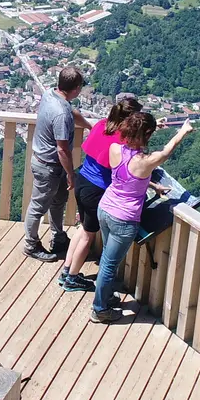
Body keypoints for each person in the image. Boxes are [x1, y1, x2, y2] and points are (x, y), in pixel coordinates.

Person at [91, 114, 193, 323]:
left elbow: (127, 179)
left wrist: (153, 185)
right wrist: (182, 131)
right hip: (124, 219)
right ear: (145, 134)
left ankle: (107, 297)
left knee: (107, 261)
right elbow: (167, 151)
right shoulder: (144, 162)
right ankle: (99, 309)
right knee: (110, 265)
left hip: (105, 208)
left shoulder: (115, 149)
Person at [59, 95, 142, 292]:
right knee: (88, 235)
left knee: (83, 228)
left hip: (82, 181)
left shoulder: (101, 125)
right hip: (96, 190)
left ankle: (67, 269)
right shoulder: (121, 139)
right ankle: (71, 278)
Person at [24, 66, 88, 262]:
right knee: (38, 206)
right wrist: (70, 174)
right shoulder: (61, 113)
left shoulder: (51, 94)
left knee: (58, 201)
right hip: (49, 166)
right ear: (76, 88)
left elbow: (72, 110)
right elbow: (62, 149)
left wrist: (90, 126)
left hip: (49, 163)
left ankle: (59, 238)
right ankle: (30, 244)